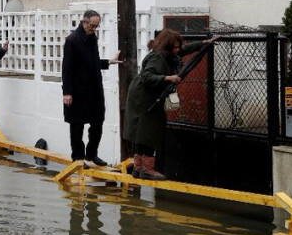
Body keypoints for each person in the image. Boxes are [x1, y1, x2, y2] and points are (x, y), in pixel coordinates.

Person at [123, 29, 218, 180]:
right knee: (148, 131)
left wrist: (203, 43)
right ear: (166, 46)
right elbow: (147, 76)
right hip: (144, 97)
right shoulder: (157, 57)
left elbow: (184, 49)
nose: (177, 50)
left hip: (146, 94)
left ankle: (139, 167)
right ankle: (145, 168)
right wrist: (168, 78)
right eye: (175, 47)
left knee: (143, 131)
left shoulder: (167, 53)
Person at [61, 10, 122, 167]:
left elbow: (91, 62)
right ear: (84, 22)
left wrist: (108, 62)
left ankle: (91, 154)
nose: (94, 29)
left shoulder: (92, 38)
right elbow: (67, 68)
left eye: (96, 26)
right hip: (77, 90)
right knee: (77, 125)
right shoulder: (72, 40)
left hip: (94, 89)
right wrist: (67, 92)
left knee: (97, 122)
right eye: (92, 26)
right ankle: (78, 157)